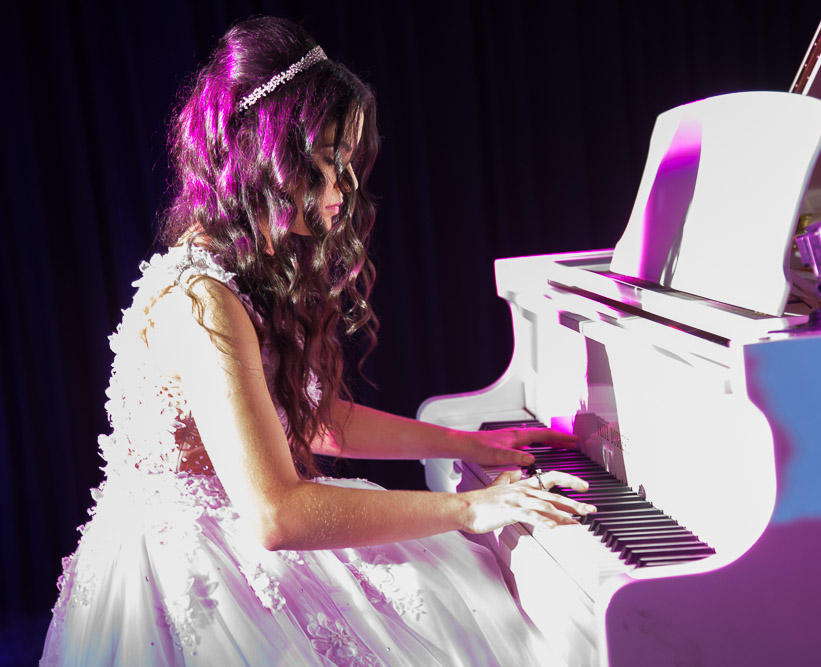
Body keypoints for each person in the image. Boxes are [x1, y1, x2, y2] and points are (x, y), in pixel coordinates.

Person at [41, 16, 594, 666]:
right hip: (192, 568)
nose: (346, 187)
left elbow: (315, 422)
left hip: (237, 529)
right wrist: (470, 508)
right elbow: (277, 516)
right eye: (331, 160)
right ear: (267, 156)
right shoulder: (202, 300)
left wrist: (469, 444)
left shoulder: (239, 270)